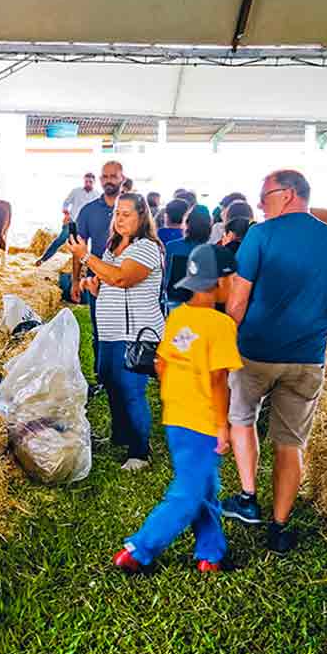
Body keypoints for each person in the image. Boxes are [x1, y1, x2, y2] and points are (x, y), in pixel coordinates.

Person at [222, 170, 327, 552]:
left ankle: (247, 497)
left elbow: (238, 301)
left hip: (254, 352)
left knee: (241, 420)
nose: (260, 203)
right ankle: (279, 526)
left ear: (288, 194)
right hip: (307, 359)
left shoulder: (260, 234)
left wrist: (224, 344)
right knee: (291, 443)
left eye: (265, 195)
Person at [113, 243, 242, 573]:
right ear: (219, 281)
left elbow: (162, 366)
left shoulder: (178, 316)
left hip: (176, 416)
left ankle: (210, 555)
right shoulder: (220, 325)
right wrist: (222, 425)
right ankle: (138, 550)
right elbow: (218, 380)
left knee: (206, 486)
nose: (235, 283)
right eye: (232, 277)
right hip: (202, 420)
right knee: (187, 493)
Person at [69, 192, 165, 471]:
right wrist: (96, 287)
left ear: (141, 217)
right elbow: (110, 281)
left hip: (136, 332)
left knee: (131, 389)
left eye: (127, 214)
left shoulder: (147, 247)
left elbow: (122, 277)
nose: (120, 219)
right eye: (117, 214)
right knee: (111, 382)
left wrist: (85, 256)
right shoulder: (114, 246)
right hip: (112, 331)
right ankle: (121, 435)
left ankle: (139, 452)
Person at [70, 161, 127, 382]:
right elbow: (78, 247)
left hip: (128, 277)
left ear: (122, 178)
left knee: (127, 329)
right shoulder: (89, 211)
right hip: (99, 281)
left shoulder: (135, 209)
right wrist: (76, 281)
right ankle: (102, 377)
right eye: (105, 176)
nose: (109, 180)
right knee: (100, 330)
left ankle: (127, 372)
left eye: (114, 176)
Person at [36, 172, 101, 265]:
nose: (88, 183)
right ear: (84, 180)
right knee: (59, 240)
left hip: (85, 226)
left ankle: (80, 267)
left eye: (90, 182)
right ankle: (42, 259)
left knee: (82, 247)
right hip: (72, 222)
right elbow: (66, 203)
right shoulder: (76, 191)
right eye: (86, 181)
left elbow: (97, 211)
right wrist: (66, 214)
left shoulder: (97, 195)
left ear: (94, 182)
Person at [162, 205, 212, 314]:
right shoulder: (211, 251)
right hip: (201, 304)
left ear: (187, 224)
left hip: (174, 299)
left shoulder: (172, 246)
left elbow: (166, 276)